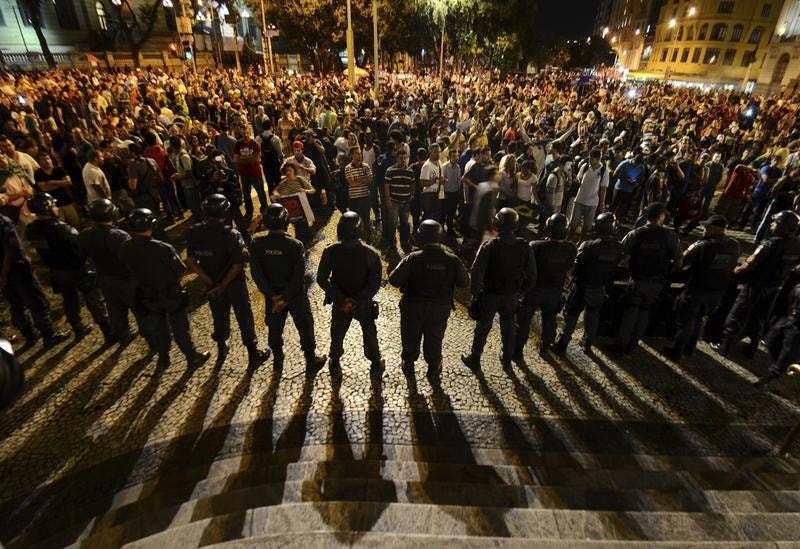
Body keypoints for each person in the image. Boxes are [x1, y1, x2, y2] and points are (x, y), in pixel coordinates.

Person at [186, 194, 270, 368]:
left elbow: (192, 262)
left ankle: (221, 346)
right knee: (244, 316)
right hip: (234, 285)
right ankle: (253, 354)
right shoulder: (232, 235)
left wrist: (211, 283)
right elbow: (238, 265)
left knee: (218, 315)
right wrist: (223, 285)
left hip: (211, 283)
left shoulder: (194, 232)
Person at [120, 208, 211, 368]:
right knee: (180, 327)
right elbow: (180, 269)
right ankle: (191, 356)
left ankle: (163, 357)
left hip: (147, 295)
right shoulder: (163, 248)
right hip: (171, 295)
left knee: (158, 327)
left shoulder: (126, 246)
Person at [25, 193, 113, 343]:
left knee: (69, 299)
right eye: (53, 205)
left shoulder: (31, 229)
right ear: (46, 208)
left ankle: (78, 328)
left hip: (57, 271)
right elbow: (80, 247)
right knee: (94, 299)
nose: (56, 208)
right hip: (77, 269)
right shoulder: (62, 229)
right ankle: (108, 331)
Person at [248, 203, 327, 372]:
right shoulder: (295, 245)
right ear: (286, 222)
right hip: (295, 295)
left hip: (273, 296)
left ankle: (277, 359)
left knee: (274, 327)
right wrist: (286, 296)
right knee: (304, 325)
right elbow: (298, 276)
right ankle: (310, 360)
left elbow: (257, 274)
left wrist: (274, 296)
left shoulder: (256, 244)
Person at [388, 220, 469, 377]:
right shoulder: (452, 260)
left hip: (413, 305)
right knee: (435, 337)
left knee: (410, 335)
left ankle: (408, 364)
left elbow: (394, 280)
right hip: (440, 307)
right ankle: (433, 367)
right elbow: (464, 282)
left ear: (420, 237)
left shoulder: (412, 258)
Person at [714, 210, 800, 358]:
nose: (772, 224)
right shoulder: (796, 245)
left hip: (756, 285)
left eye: (776, 222)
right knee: (759, 318)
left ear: (782, 226)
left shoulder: (770, 244)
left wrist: (734, 271)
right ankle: (751, 349)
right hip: (775, 287)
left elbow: (749, 265)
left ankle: (724, 347)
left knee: (737, 315)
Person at [462, 208, 536, 369]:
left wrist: (476, 295)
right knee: (509, 327)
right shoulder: (525, 247)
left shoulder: (489, 246)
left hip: (490, 294)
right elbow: (532, 275)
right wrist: (520, 292)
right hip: (511, 295)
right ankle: (507, 358)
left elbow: (476, 273)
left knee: (483, 326)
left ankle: (475, 358)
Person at [663, 214, 740, 363]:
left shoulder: (703, 245)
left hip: (697, 289)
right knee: (699, 319)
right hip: (717, 291)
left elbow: (680, 262)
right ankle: (690, 348)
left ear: (715, 228)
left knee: (686, 321)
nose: (704, 229)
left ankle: (676, 350)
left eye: (707, 226)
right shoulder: (734, 245)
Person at [317, 211, 384, 376]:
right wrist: (356, 300)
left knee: (338, 331)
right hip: (363, 304)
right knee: (369, 331)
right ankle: (375, 362)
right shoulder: (371, 254)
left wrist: (342, 299)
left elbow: (321, 279)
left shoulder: (330, 251)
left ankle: (335, 360)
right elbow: (374, 284)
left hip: (340, 303)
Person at [614, 202, 682, 355]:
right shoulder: (670, 237)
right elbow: (679, 261)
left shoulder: (635, 234)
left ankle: (620, 346)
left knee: (630, 313)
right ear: (661, 216)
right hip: (657, 282)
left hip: (637, 280)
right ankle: (633, 344)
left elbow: (620, 254)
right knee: (644, 312)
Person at [554, 212, 623, 355]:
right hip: (599, 288)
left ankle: (562, 344)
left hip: (581, 287)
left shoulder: (588, 246)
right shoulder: (618, 248)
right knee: (593, 316)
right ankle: (587, 344)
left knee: (571, 315)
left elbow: (574, 268)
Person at [513, 213, 577, 360]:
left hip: (534, 289)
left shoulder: (535, 246)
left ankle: (517, 351)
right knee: (550, 320)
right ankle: (545, 348)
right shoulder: (571, 249)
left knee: (523, 321)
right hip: (555, 290)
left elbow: (525, 267)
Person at [0, 212, 69, 348]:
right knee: (36, 302)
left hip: (4, 273)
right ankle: (49, 336)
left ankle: (29, 336)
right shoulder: (3, 222)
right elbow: (11, 250)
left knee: (16, 304)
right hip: (16, 269)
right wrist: (4, 273)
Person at [78, 198, 139, 347]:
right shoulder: (118, 235)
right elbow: (130, 259)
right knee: (139, 307)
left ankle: (123, 335)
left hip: (104, 277)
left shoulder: (85, 234)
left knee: (115, 308)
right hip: (125, 278)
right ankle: (150, 336)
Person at [755, 281, 800, 387]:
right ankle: (780, 365)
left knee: (786, 353)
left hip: (797, 327)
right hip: (789, 319)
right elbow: (791, 298)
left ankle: (769, 378)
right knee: (771, 341)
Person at [569, 148, 608, 241]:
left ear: (598, 159)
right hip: (579, 199)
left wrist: (602, 203)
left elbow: (603, 188)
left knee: (587, 226)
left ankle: (581, 242)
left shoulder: (603, 171)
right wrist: (577, 180)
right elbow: (579, 177)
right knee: (573, 224)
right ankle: (568, 241)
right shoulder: (585, 166)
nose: (589, 160)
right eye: (589, 158)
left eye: (592, 159)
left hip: (592, 202)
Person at [383, 148, 415, 254]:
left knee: (405, 224)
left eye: (404, 158)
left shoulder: (410, 171)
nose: (403, 160)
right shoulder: (390, 170)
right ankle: (391, 243)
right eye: (401, 158)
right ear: (397, 158)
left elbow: (412, 184)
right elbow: (386, 186)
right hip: (394, 201)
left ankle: (404, 242)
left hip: (406, 202)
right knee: (392, 223)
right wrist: (388, 200)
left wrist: (412, 195)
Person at [234, 128, 267, 218]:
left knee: (261, 194)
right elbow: (236, 159)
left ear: (250, 133)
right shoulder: (237, 144)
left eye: (247, 133)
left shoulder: (255, 144)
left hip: (255, 173)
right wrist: (249, 159)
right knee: (246, 195)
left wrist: (243, 159)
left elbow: (255, 159)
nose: (245, 135)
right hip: (244, 174)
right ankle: (249, 212)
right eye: (244, 133)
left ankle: (265, 211)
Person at [345, 147, 374, 235]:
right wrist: (364, 180)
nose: (359, 155)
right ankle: (356, 236)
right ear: (351, 155)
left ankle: (367, 236)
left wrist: (358, 180)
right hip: (354, 198)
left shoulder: (366, 166)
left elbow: (370, 179)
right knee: (354, 219)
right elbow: (352, 184)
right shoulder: (348, 168)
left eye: (360, 153)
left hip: (365, 196)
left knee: (366, 218)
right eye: (357, 153)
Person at [419, 143, 444, 221]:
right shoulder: (427, 166)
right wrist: (435, 180)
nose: (438, 154)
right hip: (429, 196)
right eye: (436, 152)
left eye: (439, 151)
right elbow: (422, 183)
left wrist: (443, 181)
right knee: (428, 218)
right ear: (430, 152)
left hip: (438, 195)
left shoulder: (439, 162)